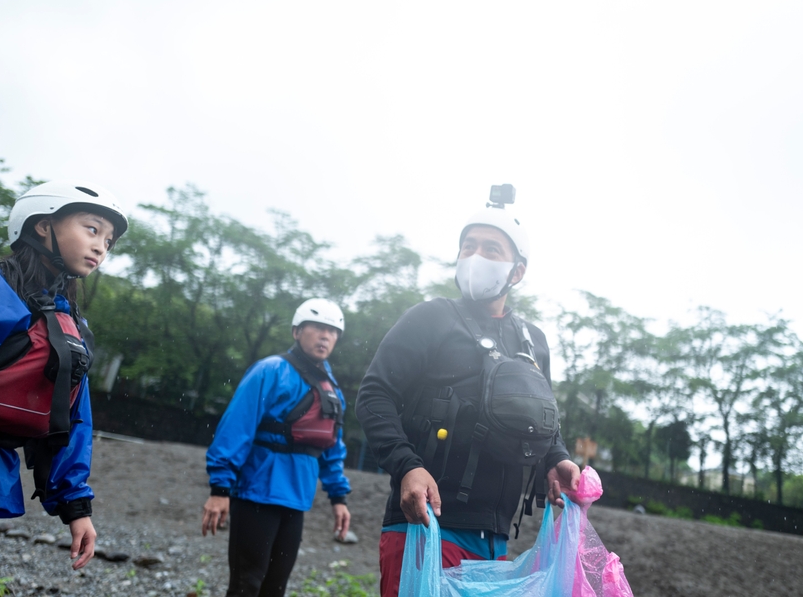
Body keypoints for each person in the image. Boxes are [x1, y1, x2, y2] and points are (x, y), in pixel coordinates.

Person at [355, 196, 581, 597]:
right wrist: (407, 466)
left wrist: (555, 458)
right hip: (425, 526)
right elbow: (375, 394)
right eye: (468, 246)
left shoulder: (533, 341)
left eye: (491, 249)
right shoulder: (429, 318)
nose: (476, 256)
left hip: (493, 541)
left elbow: (543, 418)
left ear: (517, 271)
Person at [0, 180, 129, 570]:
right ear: (42, 225)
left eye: (108, 240)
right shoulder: (1, 296)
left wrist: (76, 506)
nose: (101, 247)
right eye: (92, 229)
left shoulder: (70, 327)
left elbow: (72, 419)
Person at [202, 298, 352, 597]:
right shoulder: (270, 370)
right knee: (246, 584)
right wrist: (220, 489)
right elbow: (236, 428)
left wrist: (339, 497)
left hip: (297, 500)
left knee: (275, 588)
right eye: (318, 328)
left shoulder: (331, 389)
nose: (326, 336)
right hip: (257, 492)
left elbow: (331, 447)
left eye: (333, 331)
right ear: (297, 331)